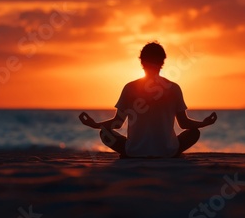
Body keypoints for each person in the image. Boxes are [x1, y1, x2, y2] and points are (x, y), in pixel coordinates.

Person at [79, 42, 217, 158]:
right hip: (168, 152)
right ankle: (170, 151)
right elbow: (184, 124)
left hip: (134, 152)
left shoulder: (130, 87)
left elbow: (117, 123)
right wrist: (204, 123)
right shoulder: (174, 88)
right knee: (194, 133)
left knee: (104, 133)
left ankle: (132, 152)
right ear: (162, 62)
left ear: (142, 62)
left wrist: (95, 124)